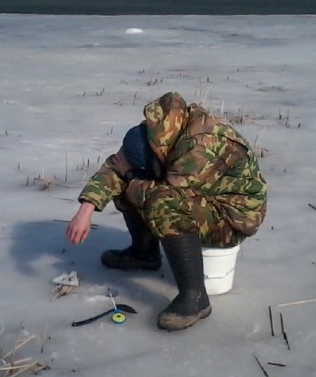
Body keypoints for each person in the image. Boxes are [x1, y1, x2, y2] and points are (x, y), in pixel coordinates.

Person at [66, 91, 267, 331]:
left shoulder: (202, 144)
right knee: (131, 183)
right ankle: (144, 254)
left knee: (160, 201)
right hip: (199, 198)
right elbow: (116, 166)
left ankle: (196, 297)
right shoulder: (159, 130)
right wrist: (86, 209)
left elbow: (169, 195)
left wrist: (131, 177)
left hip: (233, 217)